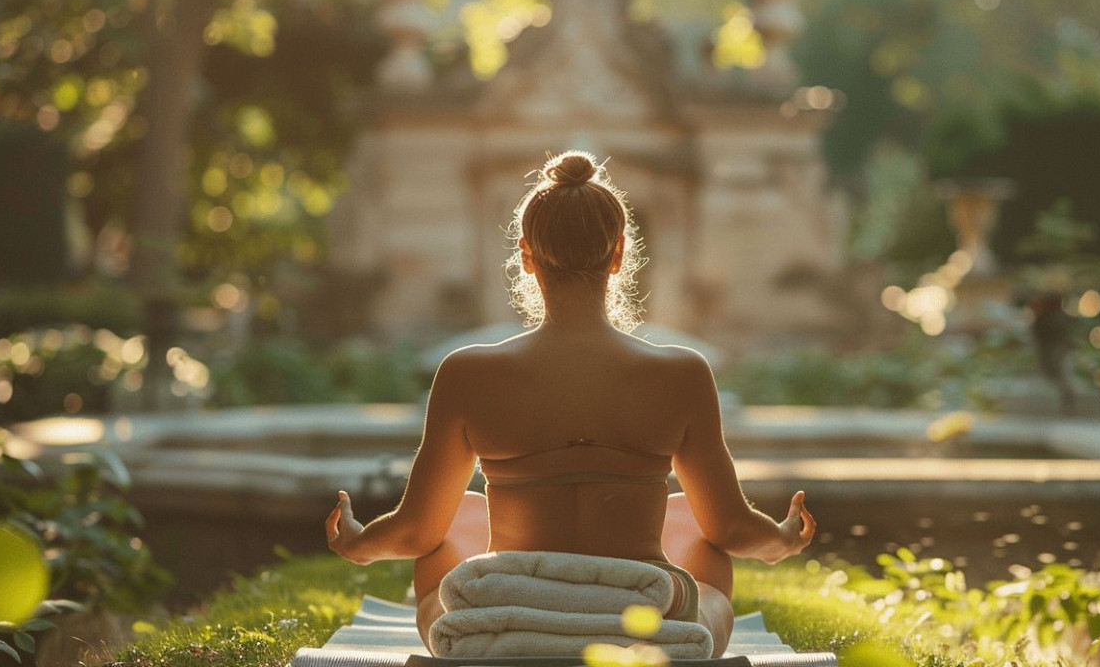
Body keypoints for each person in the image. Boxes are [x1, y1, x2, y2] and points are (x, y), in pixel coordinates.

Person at [325, 150, 816, 654]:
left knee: (448, 529)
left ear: (527, 256)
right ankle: (666, 637)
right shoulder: (683, 372)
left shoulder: (465, 372)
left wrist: (360, 543)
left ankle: (511, 640)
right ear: (619, 253)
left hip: (510, 619)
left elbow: (415, 531)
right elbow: (731, 527)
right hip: (641, 621)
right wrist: (781, 539)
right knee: (701, 535)